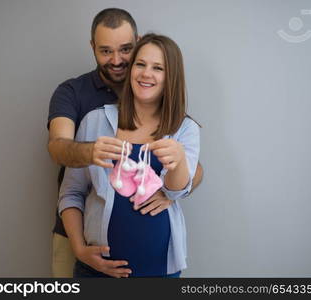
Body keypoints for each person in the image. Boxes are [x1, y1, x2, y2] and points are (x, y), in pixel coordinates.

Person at [47, 8, 203, 277]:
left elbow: (183, 183)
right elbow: (61, 158)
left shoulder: (184, 127)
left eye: (158, 68)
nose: (118, 60)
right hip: (91, 262)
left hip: (160, 270)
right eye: (106, 51)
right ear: (93, 47)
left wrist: (176, 171)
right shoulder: (89, 112)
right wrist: (81, 249)